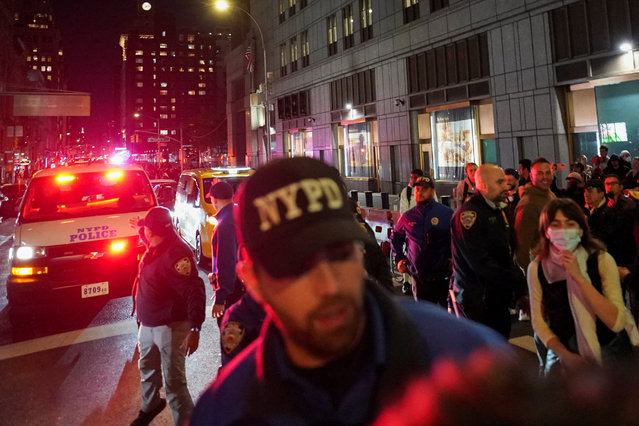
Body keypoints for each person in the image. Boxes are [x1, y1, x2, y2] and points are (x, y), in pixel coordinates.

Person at [190, 157, 509, 425]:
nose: (330, 285)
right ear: (253, 280)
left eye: (341, 254)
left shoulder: (469, 360)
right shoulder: (226, 412)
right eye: (297, 268)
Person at [527, 198, 637, 375]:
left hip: (608, 350)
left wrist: (579, 277)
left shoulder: (601, 260)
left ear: (580, 230)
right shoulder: (538, 268)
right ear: (546, 231)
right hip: (562, 352)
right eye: (555, 224)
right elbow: (538, 320)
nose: (563, 231)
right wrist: (565, 355)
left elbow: (616, 322)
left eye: (570, 224)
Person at [129, 206, 206, 426]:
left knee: (174, 383)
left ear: (151, 232)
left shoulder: (177, 254)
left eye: (146, 230)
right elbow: (154, 251)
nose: (144, 233)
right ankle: (151, 404)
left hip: (171, 327)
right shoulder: (156, 243)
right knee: (148, 369)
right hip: (148, 323)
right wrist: (140, 228)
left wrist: (195, 328)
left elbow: (194, 290)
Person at [450, 164, 528, 338]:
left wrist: (518, 288)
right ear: (483, 185)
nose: (505, 186)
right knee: (483, 355)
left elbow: (504, 253)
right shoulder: (469, 215)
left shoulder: (498, 210)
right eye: (500, 182)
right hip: (478, 300)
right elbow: (480, 262)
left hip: (496, 297)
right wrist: (517, 282)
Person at [391, 175, 453, 307]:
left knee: (445, 315)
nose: (420, 192)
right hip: (419, 277)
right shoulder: (408, 216)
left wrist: (454, 258)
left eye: (424, 189)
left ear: (432, 191)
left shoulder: (446, 213)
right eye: (417, 189)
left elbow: (457, 238)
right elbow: (396, 237)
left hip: (442, 275)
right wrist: (399, 259)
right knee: (424, 315)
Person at [209, 181, 244, 326]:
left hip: (233, 293)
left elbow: (226, 261)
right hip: (247, 287)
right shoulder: (242, 214)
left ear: (214, 200)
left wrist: (221, 297)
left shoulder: (224, 225)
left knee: (231, 337)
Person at [515, 157, 556, 271]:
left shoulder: (549, 195)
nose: (545, 177)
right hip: (540, 268)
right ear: (531, 176)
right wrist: (532, 276)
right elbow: (523, 248)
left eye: (548, 173)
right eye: (540, 173)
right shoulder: (528, 204)